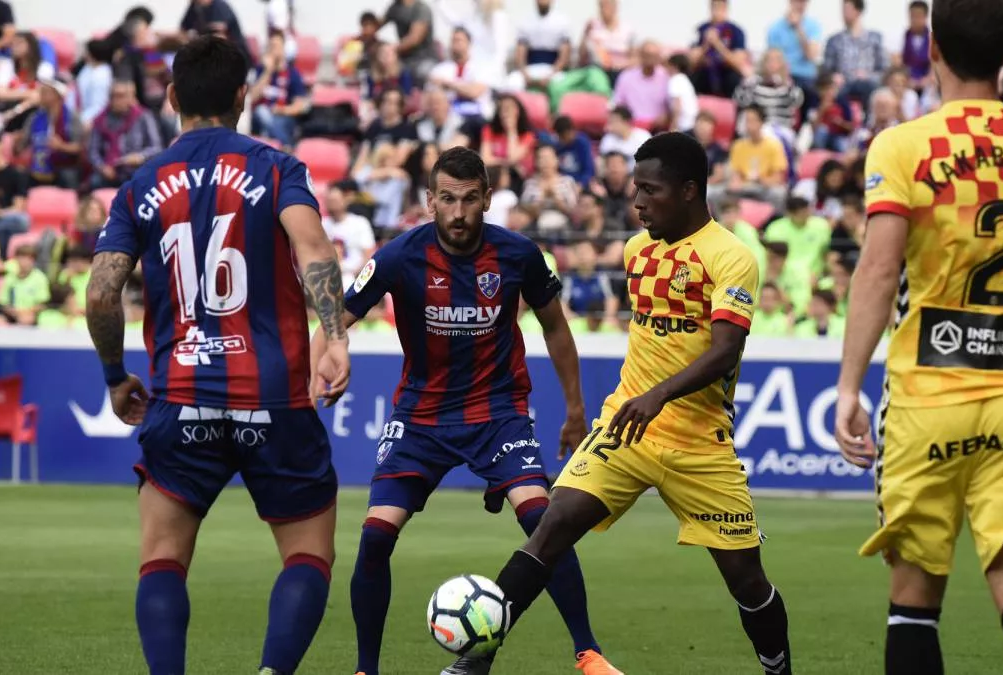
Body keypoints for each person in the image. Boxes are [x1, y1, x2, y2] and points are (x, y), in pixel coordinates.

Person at [833, 1, 1003, 674]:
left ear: (932, 48)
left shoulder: (903, 146)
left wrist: (847, 386)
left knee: (913, 599)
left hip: (927, 403)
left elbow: (877, 269)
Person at [83, 35, 349, 675]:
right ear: (243, 96)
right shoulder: (277, 168)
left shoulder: (141, 185)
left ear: (172, 97)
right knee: (308, 553)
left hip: (180, 397)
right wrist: (335, 335)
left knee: (163, 557)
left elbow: (100, 293)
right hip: (274, 399)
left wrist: (117, 377)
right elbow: (314, 249)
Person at [481, 132, 794, 675]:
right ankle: (473, 660)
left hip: (699, 443)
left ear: (690, 191)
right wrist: (639, 400)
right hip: (626, 426)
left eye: (650, 191)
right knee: (551, 530)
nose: (638, 203)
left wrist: (660, 395)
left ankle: (777, 669)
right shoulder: (636, 251)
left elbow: (724, 351)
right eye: (635, 190)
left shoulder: (732, 257)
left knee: (747, 579)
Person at [310, 146, 619, 675]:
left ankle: (587, 653)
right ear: (429, 201)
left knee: (546, 523)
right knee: (376, 536)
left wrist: (575, 409)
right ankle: (365, 669)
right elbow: (335, 319)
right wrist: (320, 369)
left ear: (487, 199)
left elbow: (556, 328)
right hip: (421, 417)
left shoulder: (518, 255)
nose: (458, 212)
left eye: (470, 199)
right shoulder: (397, 256)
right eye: (447, 199)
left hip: (497, 412)